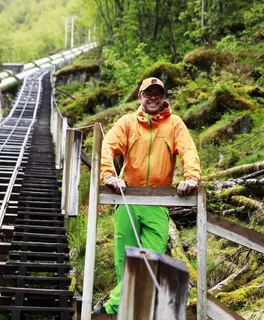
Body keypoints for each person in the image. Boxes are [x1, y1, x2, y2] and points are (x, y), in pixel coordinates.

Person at [93, 77, 201, 315]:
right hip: (127, 199)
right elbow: (106, 147)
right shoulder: (127, 122)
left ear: (164, 98)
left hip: (158, 202)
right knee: (124, 261)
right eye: (148, 93)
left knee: (150, 261)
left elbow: (188, 150)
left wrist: (191, 177)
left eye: (157, 94)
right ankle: (128, 312)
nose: (153, 98)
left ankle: (109, 310)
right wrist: (109, 175)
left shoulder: (175, 124)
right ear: (140, 96)